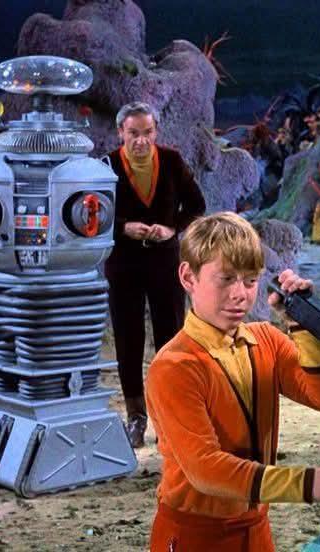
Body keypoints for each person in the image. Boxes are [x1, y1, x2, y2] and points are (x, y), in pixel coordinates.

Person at [145, 212, 320, 552]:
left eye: (250, 281)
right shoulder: (175, 366)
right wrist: (309, 483)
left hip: (256, 529)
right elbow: (206, 469)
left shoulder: (266, 340)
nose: (240, 294)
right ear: (188, 277)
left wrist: (305, 323)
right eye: (226, 279)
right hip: (194, 535)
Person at [105, 102, 206, 448]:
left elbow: (196, 206)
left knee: (171, 337)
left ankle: (170, 415)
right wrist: (123, 227)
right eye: (133, 133)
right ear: (121, 133)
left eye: (147, 132)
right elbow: (94, 215)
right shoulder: (106, 166)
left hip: (165, 261)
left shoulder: (173, 162)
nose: (141, 141)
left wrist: (171, 228)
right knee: (128, 340)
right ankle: (136, 417)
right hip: (123, 263)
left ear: (156, 132)